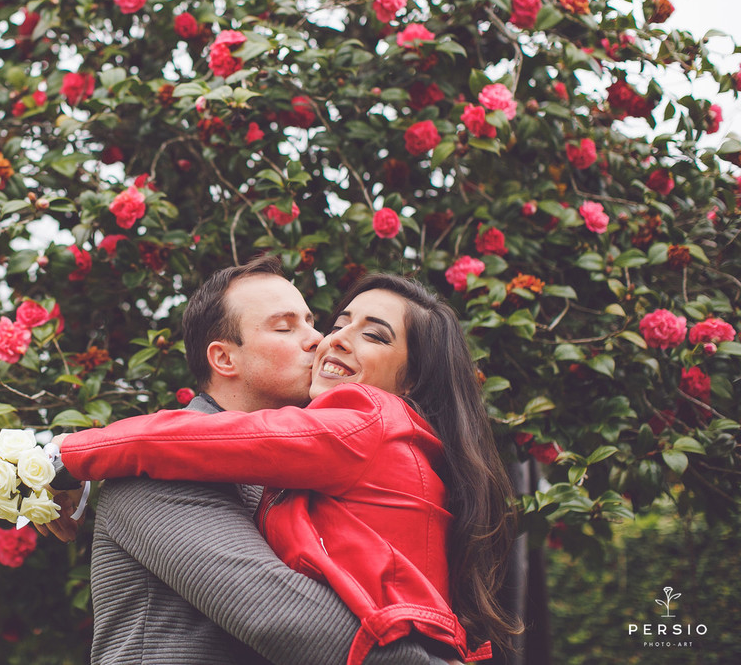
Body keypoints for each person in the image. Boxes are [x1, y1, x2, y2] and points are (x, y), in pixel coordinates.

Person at [55, 272, 520, 664]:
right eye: (285, 327)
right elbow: (284, 617)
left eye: (313, 323)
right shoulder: (152, 471)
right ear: (224, 357)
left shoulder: (335, 455)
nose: (322, 339)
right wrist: (63, 459)